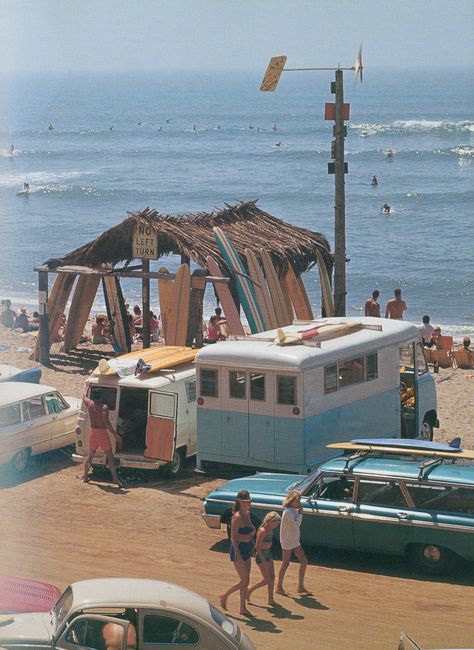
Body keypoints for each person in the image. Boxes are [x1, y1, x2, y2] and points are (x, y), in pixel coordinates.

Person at [219, 489, 255, 616]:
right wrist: (238, 555)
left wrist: (252, 545)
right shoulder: (237, 517)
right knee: (244, 580)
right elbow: (233, 538)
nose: (248, 503)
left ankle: (242, 607)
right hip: (238, 549)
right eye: (246, 501)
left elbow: (251, 531)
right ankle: (225, 595)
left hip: (247, 547)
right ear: (240, 502)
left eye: (249, 501)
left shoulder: (248, 514)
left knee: (246, 580)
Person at [82, 387, 123, 487]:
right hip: (101, 433)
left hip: (93, 432)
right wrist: (115, 435)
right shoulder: (104, 407)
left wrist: (86, 386)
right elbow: (107, 423)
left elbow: (84, 396)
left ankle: (85, 476)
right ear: (101, 397)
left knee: (90, 455)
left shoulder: (90, 404)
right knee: (110, 456)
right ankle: (115, 479)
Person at [276, 490, 309, 596]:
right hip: (287, 541)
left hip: (294, 540)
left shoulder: (293, 510)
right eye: (297, 500)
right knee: (285, 564)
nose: (299, 502)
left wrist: (299, 513)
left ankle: (300, 586)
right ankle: (279, 587)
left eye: (299, 500)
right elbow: (296, 526)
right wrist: (301, 515)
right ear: (291, 501)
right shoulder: (287, 512)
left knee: (303, 562)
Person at [247, 512, 281, 607]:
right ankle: (249, 590)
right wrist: (263, 560)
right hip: (261, 555)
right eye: (276, 524)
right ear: (270, 521)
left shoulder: (270, 530)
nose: (276, 526)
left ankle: (270, 599)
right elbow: (257, 547)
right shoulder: (263, 530)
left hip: (268, 554)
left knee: (272, 577)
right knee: (267, 579)